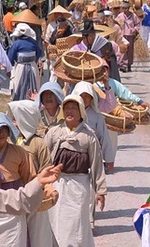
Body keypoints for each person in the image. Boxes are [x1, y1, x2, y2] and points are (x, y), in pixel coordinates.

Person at [44, 95, 107, 247]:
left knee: (77, 224)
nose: (69, 111)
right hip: (57, 184)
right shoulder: (54, 133)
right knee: (56, 222)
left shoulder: (88, 136)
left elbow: (96, 163)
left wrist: (100, 190)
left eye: (73, 108)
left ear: (80, 111)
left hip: (79, 187)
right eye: (66, 108)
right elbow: (44, 160)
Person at [7, 100, 57, 247]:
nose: (13, 123)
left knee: (37, 236)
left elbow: (46, 169)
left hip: (35, 197)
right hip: (15, 197)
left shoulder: (38, 143)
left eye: (16, 119)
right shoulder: (10, 142)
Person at [0, 112, 36, 246]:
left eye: (4, 129)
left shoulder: (19, 152)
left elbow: (30, 177)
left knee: (16, 239)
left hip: (15, 202)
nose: (1, 134)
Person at [71, 81, 115, 172]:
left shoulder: (97, 116)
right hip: (72, 153)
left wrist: (109, 159)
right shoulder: (68, 114)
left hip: (92, 154)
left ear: (92, 98)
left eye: (87, 96)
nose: (84, 99)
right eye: (81, 95)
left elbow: (104, 137)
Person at [7, 23, 43, 100]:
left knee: (19, 86)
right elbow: (38, 53)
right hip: (33, 67)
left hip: (21, 67)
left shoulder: (16, 44)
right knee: (34, 87)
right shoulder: (34, 42)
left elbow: (10, 59)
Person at [115, 0, 141, 72]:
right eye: (123, 8)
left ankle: (129, 64)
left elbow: (138, 24)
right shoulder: (120, 16)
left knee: (130, 50)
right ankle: (123, 64)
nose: (124, 10)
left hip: (130, 35)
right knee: (123, 49)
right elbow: (116, 24)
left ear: (128, 8)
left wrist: (135, 29)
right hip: (122, 35)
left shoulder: (133, 16)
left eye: (126, 8)